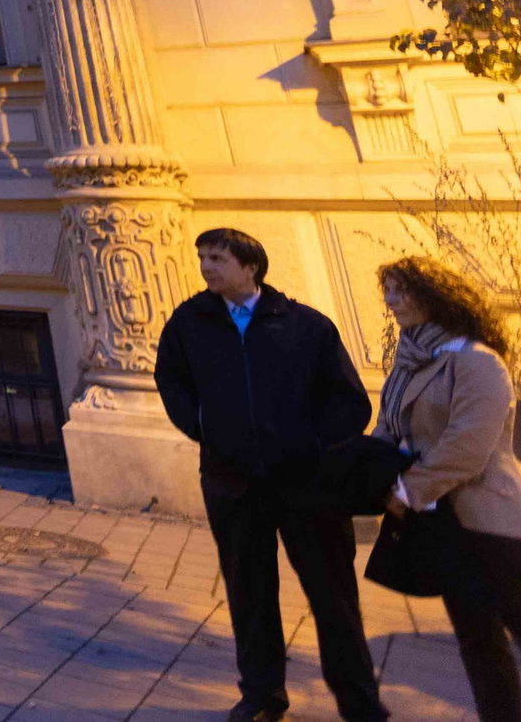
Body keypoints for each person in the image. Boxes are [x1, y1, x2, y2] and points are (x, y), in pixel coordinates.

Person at [154, 228, 381, 722]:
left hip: (308, 487)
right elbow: (169, 377)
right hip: (231, 482)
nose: (206, 266)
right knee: (249, 594)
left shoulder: (305, 326)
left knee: (333, 597)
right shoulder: (190, 323)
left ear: (251, 266)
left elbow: (349, 401)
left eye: (217, 257)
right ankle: (262, 696)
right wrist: (201, 426)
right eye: (202, 257)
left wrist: (311, 447)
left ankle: (361, 704)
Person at [368, 256, 521, 722]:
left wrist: (405, 492)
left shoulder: (478, 362)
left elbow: (467, 448)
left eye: (400, 290)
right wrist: (361, 474)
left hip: (496, 523)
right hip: (441, 522)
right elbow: (388, 431)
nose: (390, 301)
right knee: (478, 640)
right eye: (387, 290)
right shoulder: (410, 361)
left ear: (436, 296)